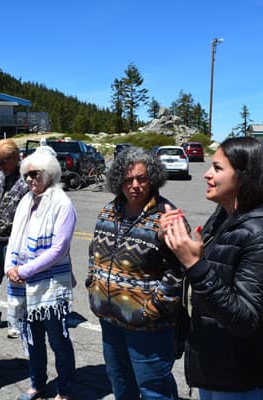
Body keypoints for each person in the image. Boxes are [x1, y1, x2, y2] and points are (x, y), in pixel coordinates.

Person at [161, 137, 263, 400]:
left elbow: (244, 317)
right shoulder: (224, 216)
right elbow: (210, 274)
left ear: (244, 175)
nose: (206, 174)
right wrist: (176, 246)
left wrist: (194, 264)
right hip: (213, 367)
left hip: (242, 379)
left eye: (217, 168)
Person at [86, 146, 184, 400]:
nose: (135, 185)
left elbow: (177, 271)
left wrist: (151, 310)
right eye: (128, 179)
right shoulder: (109, 211)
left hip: (148, 328)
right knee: (120, 384)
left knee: (155, 391)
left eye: (142, 178)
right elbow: (93, 252)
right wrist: (92, 286)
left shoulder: (167, 216)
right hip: (110, 320)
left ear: (153, 178)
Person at [6, 148, 76, 400]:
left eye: (34, 174)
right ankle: (37, 383)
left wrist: (24, 270)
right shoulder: (26, 201)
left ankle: (65, 390)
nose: (28, 179)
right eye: (26, 175)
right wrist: (9, 267)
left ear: (48, 173)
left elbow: (59, 249)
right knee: (32, 338)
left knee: (58, 340)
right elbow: (14, 237)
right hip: (24, 284)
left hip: (50, 286)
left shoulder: (62, 203)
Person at [0, 139, 29, 338]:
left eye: (3, 161)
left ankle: (17, 322)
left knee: (16, 284)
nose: (0, 166)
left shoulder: (26, 178)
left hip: (13, 241)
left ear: (15, 157)